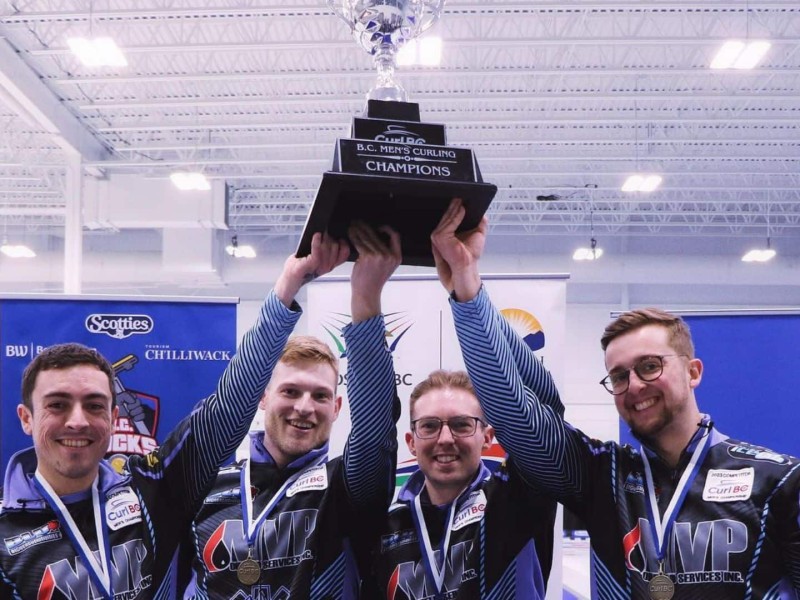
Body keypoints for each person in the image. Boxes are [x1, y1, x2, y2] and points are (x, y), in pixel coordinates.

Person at [438, 200, 800, 598]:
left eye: (649, 366)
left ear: (693, 371)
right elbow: (518, 415)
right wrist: (468, 290)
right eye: (619, 375)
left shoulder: (778, 480)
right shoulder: (602, 477)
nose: (635, 386)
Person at [0, 232, 349, 599]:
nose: (78, 420)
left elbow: (226, 412)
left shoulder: (150, 492)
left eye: (94, 404)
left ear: (113, 414)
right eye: (57, 404)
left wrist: (288, 285)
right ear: (26, 417)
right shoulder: (6, 531)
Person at [186, 222, 401, 598]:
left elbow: (374, 432)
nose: (304, 407)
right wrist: (288, 283)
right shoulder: (207, 481)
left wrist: (366, 298)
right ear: (263, 397)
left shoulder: (343, 490)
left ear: (336, 408)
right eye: (290, 391)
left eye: (320, 396)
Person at [365, 201, 565, 600]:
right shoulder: (386, 525)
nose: (444, 439)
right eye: (429, 426)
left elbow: (546, 409)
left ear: (486, 435)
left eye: (460, 424)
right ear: (411, 441)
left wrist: (467, 289)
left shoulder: (516, 500)